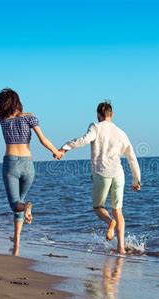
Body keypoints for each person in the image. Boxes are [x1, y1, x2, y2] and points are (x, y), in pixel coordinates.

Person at [58, 101, 141, 255]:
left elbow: (83, 140)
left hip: (102, 173)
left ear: (98, 115)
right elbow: (131, 157)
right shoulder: (121, 133)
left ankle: (110, 222)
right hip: (118, 174)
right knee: (118, 211)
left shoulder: (96, 127)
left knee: (98, 207)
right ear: (112, 114)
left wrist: (65, 147)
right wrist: (136, 179)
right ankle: (121, 247)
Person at [0, 88, 63, 256]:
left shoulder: (2, 120)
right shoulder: (30, 117)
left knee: (16, 204)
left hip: (11, 163)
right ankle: (16, 240)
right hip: (28, 165)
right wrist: (56, 152)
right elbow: (43, 139)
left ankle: (27, 207)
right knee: (20, 202)